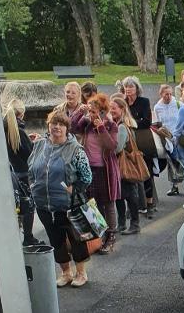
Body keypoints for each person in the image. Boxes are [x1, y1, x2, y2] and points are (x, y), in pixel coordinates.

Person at [29, 111, 93, 288]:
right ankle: (66, 273)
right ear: (48, 125)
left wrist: (74, 189)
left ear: (67, 128)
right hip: (44, 204)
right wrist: (33, 186)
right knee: (55, 239)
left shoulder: (75, 149)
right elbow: (31, 169)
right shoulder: (39, 145)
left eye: (61, 124)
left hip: (68, 204)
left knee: (76, 239)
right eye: (53, 123)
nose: (56, 127)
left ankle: (81, 273)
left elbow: (87, 177)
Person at [70, 93, 120, 254]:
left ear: (102, 111)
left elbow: (112, 146)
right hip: (89, 169)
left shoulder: (110, 125)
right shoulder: (86, 124)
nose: (91, 115)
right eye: (90, 111)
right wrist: (79, 112)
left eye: (94, 112)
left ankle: (111, 235)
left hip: (105, 170)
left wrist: (101, 127)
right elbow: (72, 128)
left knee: (108, 202)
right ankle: (100, 235)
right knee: (93, 204)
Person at [3, 99, 42, 247]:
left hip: (13, 172)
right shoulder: (19, 132)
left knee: (17, 206)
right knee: (29, 205)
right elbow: (29, 154)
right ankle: (28, 237)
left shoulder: (5, 128)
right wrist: (36, 143)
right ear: (21, 114)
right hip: (24, 173)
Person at [122, 76, 155, 217]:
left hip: (142, 140)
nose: (128, 89)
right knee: (130, 175)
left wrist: (131, 122)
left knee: (146, 172)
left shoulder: (144, 101)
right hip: (128, 142)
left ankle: (149, 204)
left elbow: (147, 122)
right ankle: (134, 206)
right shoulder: (122, 102)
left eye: (131, 87)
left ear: (137, 88)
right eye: (126, 87)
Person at [110, 96, 141, 236]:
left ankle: (134, 224)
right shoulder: (119, 124)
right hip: (121, 166)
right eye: (110, 108)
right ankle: (122, 224)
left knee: (129, 195)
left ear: (122, 109)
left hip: (124, 166)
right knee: (120, 196)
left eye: (114, 108)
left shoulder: (122, 126)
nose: (111, 110)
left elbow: (117, 149)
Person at [154, 84, 182, 196]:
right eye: (166, 94)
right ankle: (174, 186)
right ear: (161, 94)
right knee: (171, 162)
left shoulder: (178, 103)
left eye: (170, 94)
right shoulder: (157, 107)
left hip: (179, 136)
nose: (169, 96)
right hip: (167, 138)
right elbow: (158, 123)